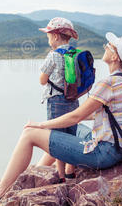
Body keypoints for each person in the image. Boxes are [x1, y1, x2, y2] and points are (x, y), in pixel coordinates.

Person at [0, 33, 122, 201]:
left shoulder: (109, 83)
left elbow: (76, 116)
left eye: (109, 46)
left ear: (115, 57)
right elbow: (98, 115)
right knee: (65, 132)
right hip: (115, 147)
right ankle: (36, 172)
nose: (105, 46)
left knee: (30, 134)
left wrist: (41, 125)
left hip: (103, 153)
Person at [37, 17, 80, 182]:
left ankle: (60, 176)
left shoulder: (53, 56)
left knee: (57, 138)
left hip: (56, 102)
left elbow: (42, 80)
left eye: (48, 35)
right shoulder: (76, 53)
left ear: (55, 36)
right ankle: (70, 171)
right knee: (70, 137)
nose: (48, 39)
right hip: (73, 101)